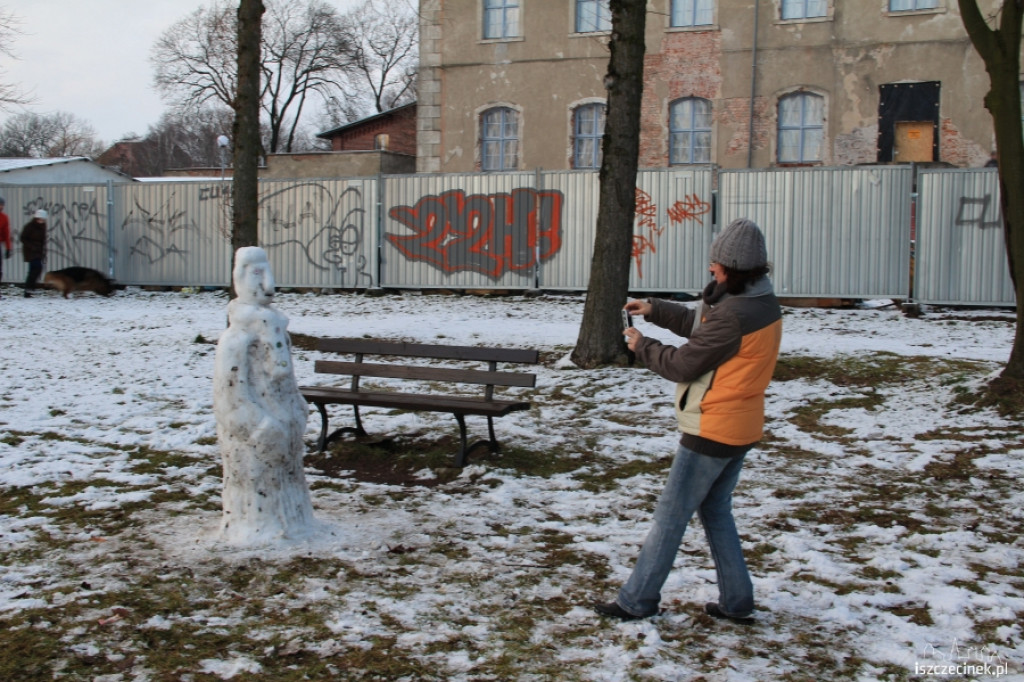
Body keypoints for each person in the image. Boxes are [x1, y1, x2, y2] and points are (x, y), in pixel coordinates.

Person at [594, 217, 782, 624]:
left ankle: (636, 600)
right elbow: (704, 326)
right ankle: (737, 602)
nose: (710, 267)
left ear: (733, 268)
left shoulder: (735, 314)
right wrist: (655, 309)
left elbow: (683, 364)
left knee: (670, 516)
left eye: (717, 263)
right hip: (741, 424)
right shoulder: (760, 302)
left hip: (713, 427)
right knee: (715, 511)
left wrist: (642, 346)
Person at [20, 209, 48, 297]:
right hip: (30, 251)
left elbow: (42, 240)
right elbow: (23, 238)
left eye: (43, 219)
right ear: (36, 218)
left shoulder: (43, 226)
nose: (42, 221)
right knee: (36, 268)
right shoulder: (30, 226)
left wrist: (43, 251)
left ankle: (29, 289)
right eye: (40, 219)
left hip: (38, 250)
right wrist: (31, 246)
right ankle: (29, 288)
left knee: (35, 269)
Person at [0, 198, 11, 292]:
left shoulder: (4, 217)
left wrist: (8, 248)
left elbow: (6, 234)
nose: (1, 206)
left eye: (2, 205)